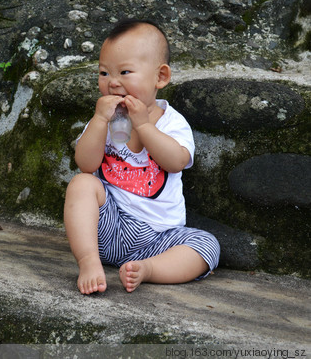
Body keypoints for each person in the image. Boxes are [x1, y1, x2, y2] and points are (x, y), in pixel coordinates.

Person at [64, 17, 220, 295]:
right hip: (109, 225)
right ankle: (88, 261)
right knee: (81, 184)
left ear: (160, 77)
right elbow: (86, 164)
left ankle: (148, 269)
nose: (112, 83)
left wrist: (145, 126)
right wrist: (99, 121)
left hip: (159, 237)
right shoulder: (104, 118)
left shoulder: (171, 122)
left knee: (207, 245)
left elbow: (176, 161)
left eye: (124, 72)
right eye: (103, 73)